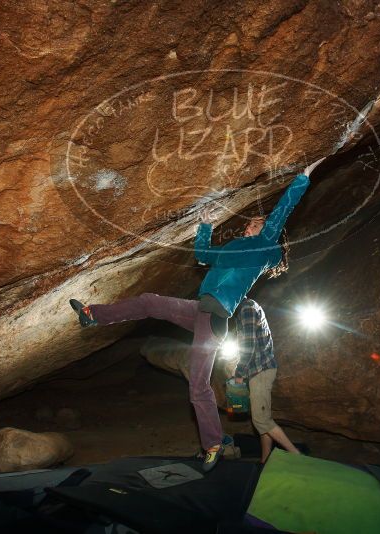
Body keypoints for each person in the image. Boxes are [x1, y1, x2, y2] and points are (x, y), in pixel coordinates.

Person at [69, 157, 325, 472]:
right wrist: (205, 225)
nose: (249, 224)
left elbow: (283, 209)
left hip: (215, 320)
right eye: (249, 223)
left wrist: (303, 176)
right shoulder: (232, 249)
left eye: (255, 222)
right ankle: (93, 315)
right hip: (199, 310)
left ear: (267, 230)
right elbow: (203, 255)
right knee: (150, 301)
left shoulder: (263, 247)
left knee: (198, 385)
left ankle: (213, 444)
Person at [233, 298, 300, 463]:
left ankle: (296, 455)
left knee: (261, 419)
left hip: (260, 370)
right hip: (259, 370)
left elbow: (249, 345)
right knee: (263, 419)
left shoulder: (246, 308)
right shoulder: (248, 307)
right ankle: (265, 461)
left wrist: (239, 373)